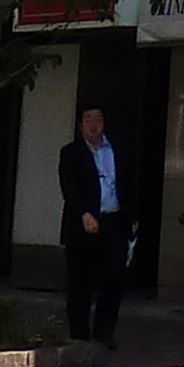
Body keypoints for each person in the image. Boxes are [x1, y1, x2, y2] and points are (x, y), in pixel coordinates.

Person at [56, 104, 129, 351]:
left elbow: (128, 182)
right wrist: (84, 213)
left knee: (114, 277)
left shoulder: (116, 150)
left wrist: (133, 213)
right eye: (88, 120)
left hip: (114, 220)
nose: (93, 124)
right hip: (83, 223)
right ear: (80, 126)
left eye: (98, 119)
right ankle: (78, 333)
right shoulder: (71, 152)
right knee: (80, 281)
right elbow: (70, 188)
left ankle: (104, 331)